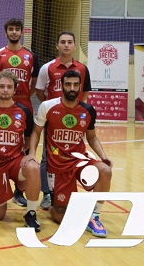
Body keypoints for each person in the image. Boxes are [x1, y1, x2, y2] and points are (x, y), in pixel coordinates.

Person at [23, 70, 112, 237]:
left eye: (76, 85)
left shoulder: (88, 110)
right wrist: (32, 153)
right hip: (57, 166)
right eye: (68, 84)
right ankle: (55, 204)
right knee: (60, 216)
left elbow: (91, 138)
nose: (72, 88)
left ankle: (94, 216)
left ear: (80, 87)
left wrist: (104, 157)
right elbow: (35, 132)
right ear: (61, 86)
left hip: (79, 162)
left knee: (105, 171)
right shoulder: (47, 106)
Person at [35, 31, 92, 210]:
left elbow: (86, 94)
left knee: (74, 154)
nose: (66, 45)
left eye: (69, 42)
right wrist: (50, 110)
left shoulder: (83, 69)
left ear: (75, 46)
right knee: (46, 157)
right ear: (57, 45)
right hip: (53, 120)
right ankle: (46, 194)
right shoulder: (48, 68)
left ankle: (68, 191)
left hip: (75, 120)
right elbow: (39, 91)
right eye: (62, 42)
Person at [0, 18, 39, 207]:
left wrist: (24, 95)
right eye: (11, 29)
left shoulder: (31, 55)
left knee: (24, 147)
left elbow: (34, 82)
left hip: (23, 104)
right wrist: (0, 98)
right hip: (1, 106)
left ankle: (20, 191)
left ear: (21, 32)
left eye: (17, 29)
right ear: (6, 32)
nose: (14, 32)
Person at [0, 71, 40, 231]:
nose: (5, 90)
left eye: (9, 87)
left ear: (15, 90)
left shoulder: (24, 112)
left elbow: (30, 135)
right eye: (2, 86)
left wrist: (29, 154)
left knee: (33, 167)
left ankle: (31, 213)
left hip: (15, 162)